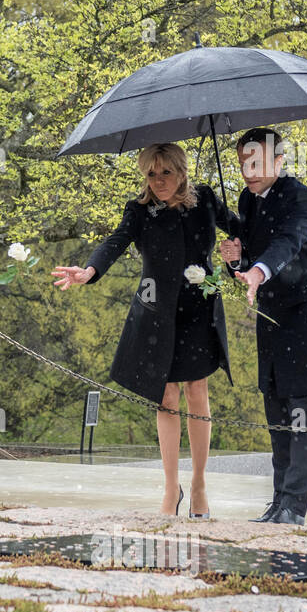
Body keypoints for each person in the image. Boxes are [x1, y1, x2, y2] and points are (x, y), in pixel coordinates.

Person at [53, 142, 233, 518]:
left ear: (181, 171)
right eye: (151, 174)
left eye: (165, 172)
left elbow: (241, 233)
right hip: (157, 314)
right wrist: (90, 270)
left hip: (199, 310)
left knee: (197, 391)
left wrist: (239, 252)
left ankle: (199, 483)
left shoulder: (206, 201)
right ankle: (172, 488)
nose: (159, 181)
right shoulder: (139, 211)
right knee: (165, 397)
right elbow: (116, 241)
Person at [219, 127, 307, 525]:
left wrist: (257, 270)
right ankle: (278, 502)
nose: (249, 171)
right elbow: (250, 255)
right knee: (277, 415)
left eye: (257, 162)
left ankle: (294, 507)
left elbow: (287, 243)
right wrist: (236, 261)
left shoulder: (301, 198)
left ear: (278, 161)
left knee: (304, 420)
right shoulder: (247, 200)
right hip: (272, 321)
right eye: (243, 163)